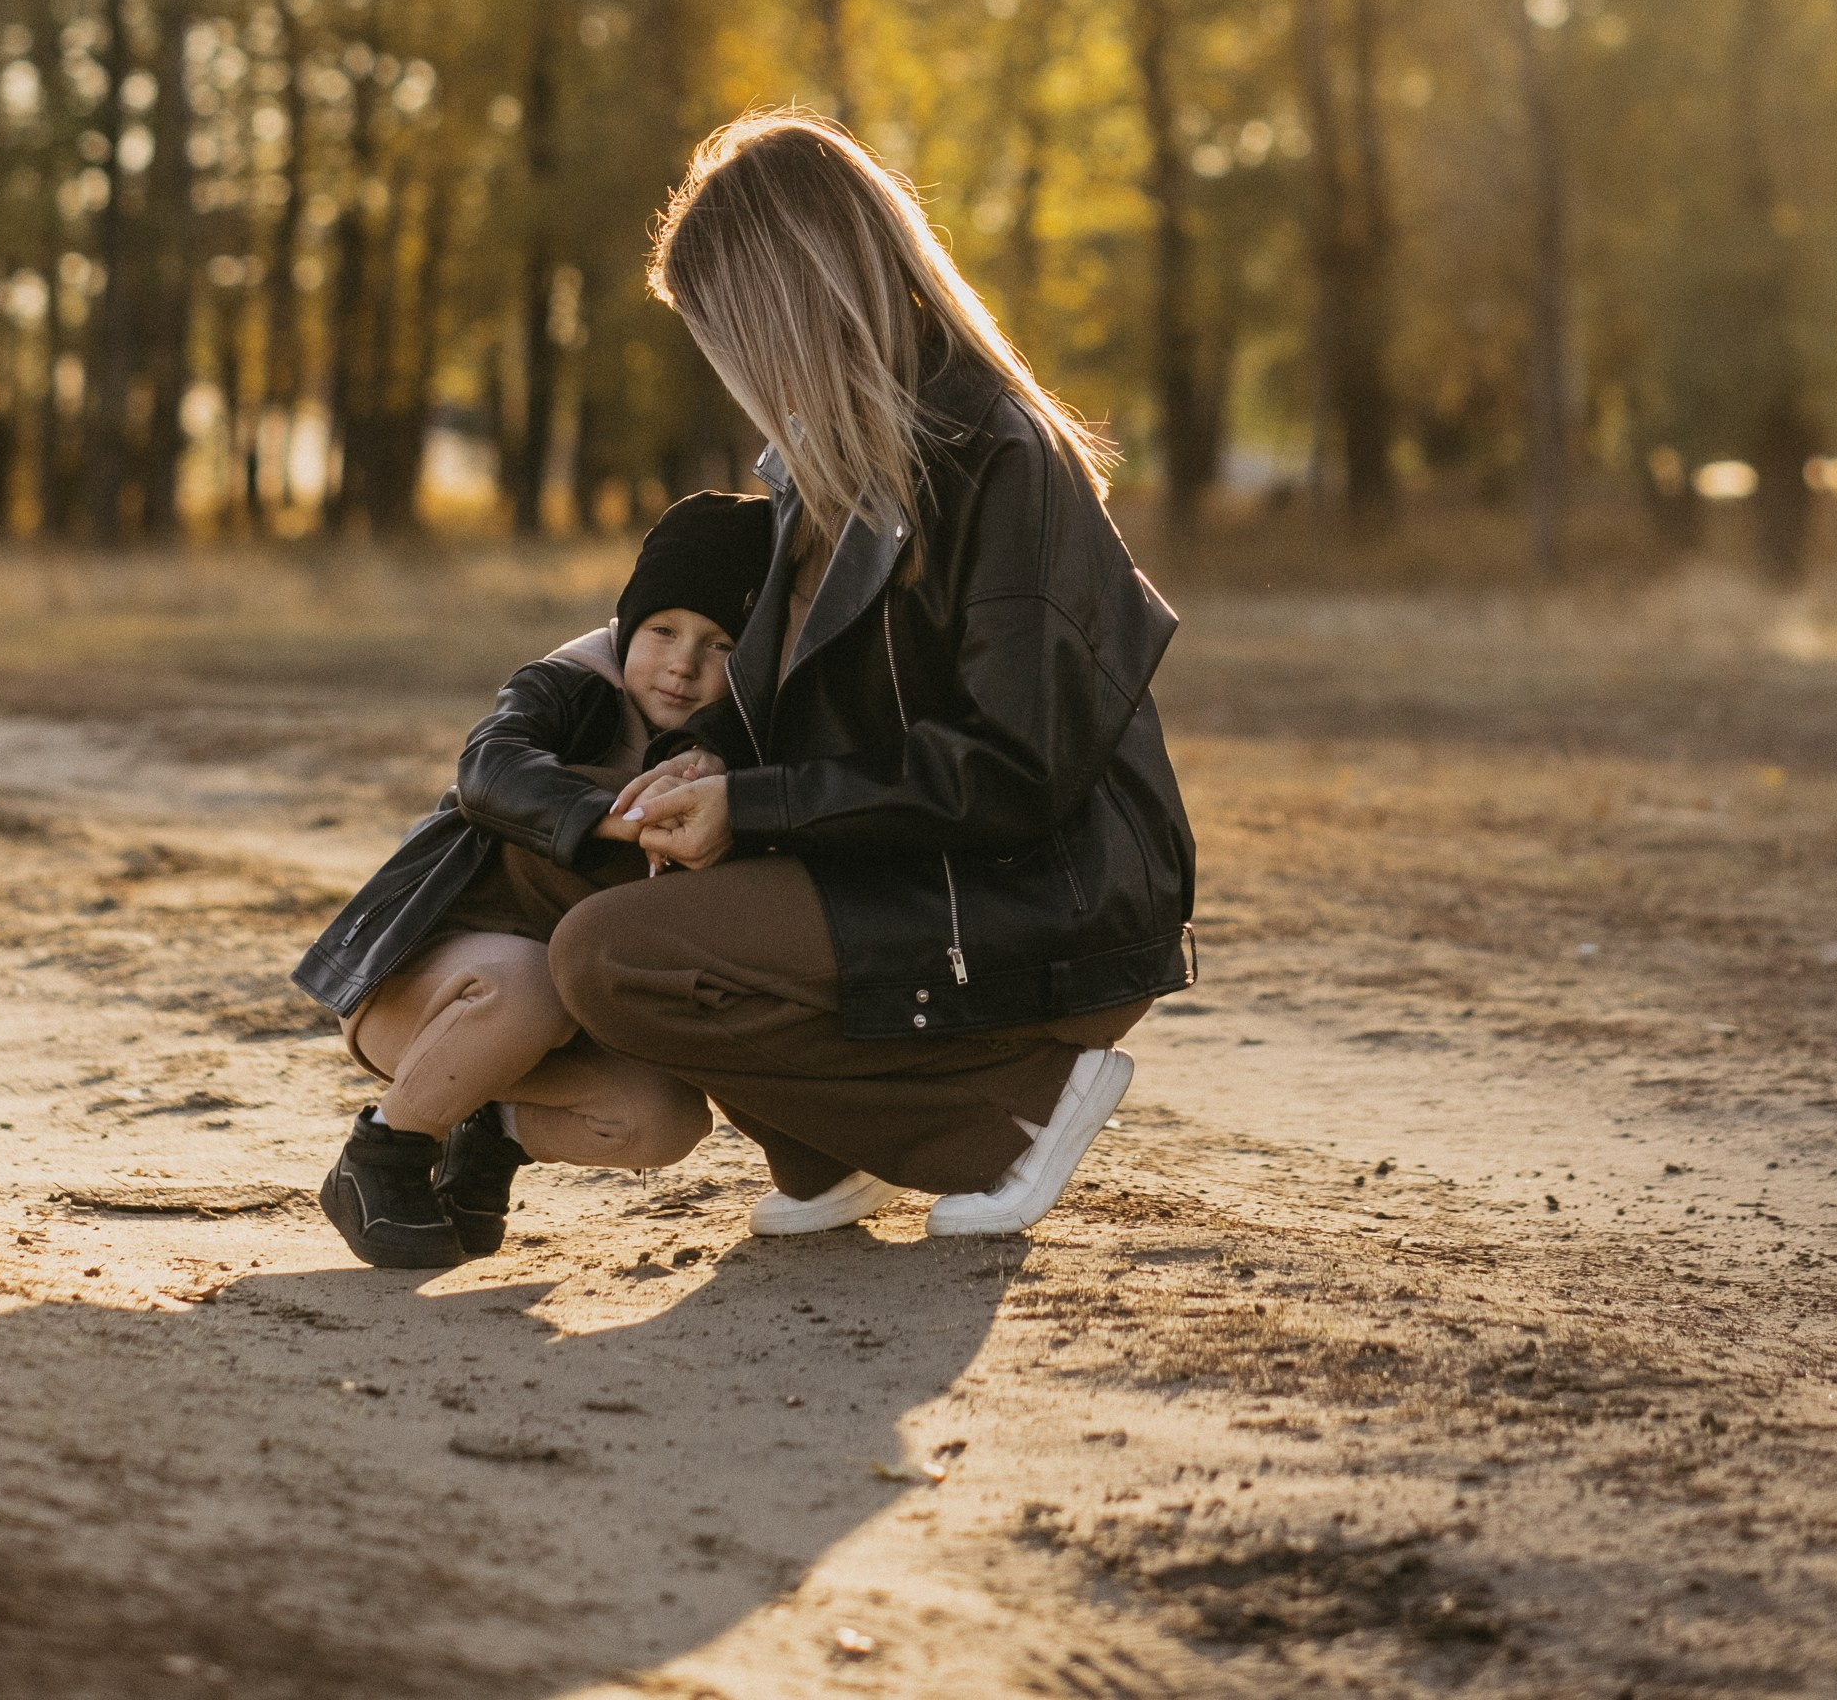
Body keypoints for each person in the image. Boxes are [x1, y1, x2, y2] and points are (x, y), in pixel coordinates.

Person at [545, 109, 1198, 1239]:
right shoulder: (815, 479)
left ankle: (1007, 1114)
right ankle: (837, 1151)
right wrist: (717, 764)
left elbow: (1014, 769)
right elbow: (830, 717)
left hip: (1039, 896)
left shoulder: (1000, 455)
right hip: (911, 874)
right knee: (591, 887)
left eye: (728, 334)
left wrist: (751, 805)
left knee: (609, 955)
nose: (731, 371)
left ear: (787, 308)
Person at [297, 493, 767, 1270]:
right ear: (628, 627)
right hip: (427, 987)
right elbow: (488, 770)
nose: (682, 663)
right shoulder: (570, 683)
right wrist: (612, 818)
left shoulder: (736, 747)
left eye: (720, 644)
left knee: (659, 1120)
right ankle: (381, 1153)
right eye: (662, 631)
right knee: (528, 984)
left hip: (549, 1010)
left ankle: (490, 1133)